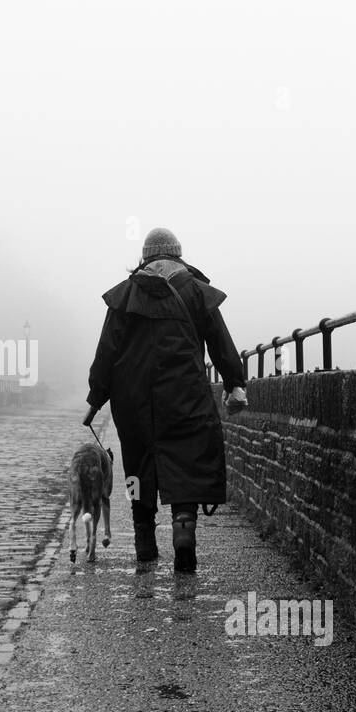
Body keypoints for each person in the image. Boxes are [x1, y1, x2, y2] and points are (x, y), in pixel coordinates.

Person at [83, 227, 247, 572]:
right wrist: (235, 383)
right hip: (185, 392)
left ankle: (144, 540)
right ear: (177, 254)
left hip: (132, 399)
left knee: (138, 466)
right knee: (186, 460)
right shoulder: (195, 291)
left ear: (144, 257)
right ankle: (183, 532)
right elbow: (219, 341)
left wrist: (96, 395)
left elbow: (107, 350)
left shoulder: (127, 294)